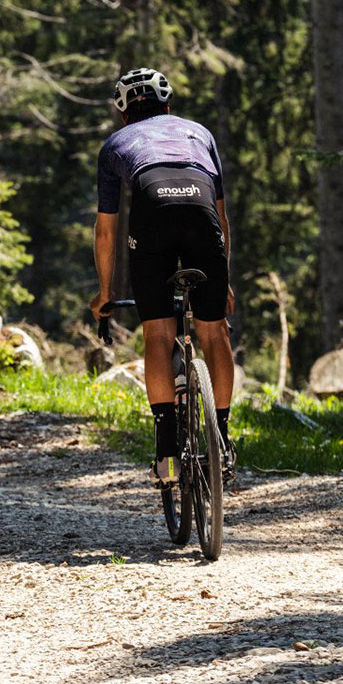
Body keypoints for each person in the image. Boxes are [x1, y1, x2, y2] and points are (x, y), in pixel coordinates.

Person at [88, 67, 236, 486]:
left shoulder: (115, 144)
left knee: (157, 332)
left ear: (123, 114)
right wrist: (223, 281)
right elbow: (221, 219)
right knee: (214, 331)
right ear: (168, 106)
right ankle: (221, 441)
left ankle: (167, 453)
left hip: (152, 206)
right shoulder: (199, 133)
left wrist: (104, 293)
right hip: (200, 208)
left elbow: (106, 230)